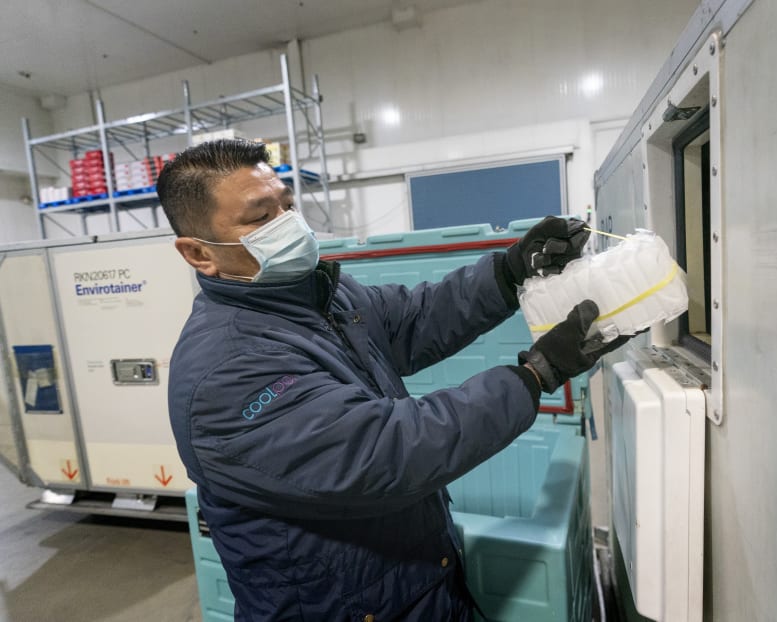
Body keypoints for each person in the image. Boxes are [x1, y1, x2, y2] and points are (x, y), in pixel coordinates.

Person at [157, 139, 628, 622]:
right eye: (260, 218)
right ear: (199, 253)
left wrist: (509, 272)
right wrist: (535, 375)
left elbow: (415, 319)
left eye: (288, 206)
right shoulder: (224, 372)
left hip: (419, 585)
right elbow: (388, 452)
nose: (289, 225)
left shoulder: (319, 298)